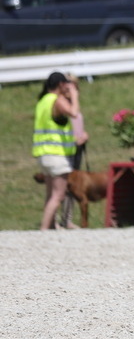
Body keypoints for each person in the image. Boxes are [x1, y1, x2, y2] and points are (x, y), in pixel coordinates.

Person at [32, 72, 80, 230]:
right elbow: (73, 113)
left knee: (50, 194)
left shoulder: (42, 101)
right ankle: (44, 229)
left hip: (43, 153)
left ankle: (51, 226)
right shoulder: (56, 100)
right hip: (56, 153)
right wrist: (74, 96)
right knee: (58, 195)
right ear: (60, 84)